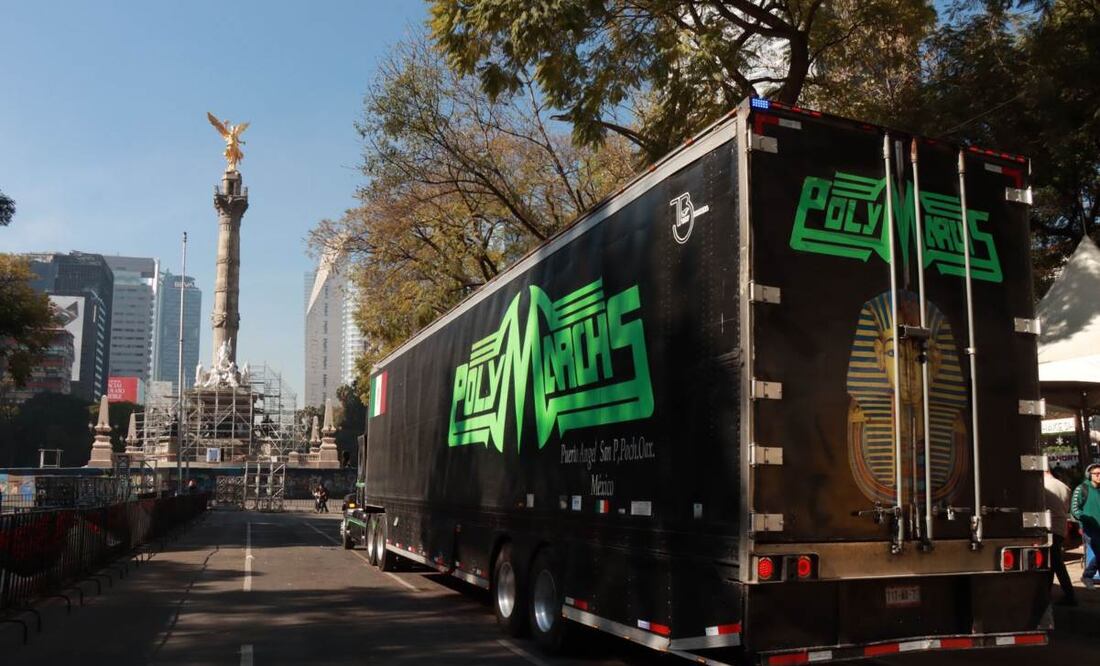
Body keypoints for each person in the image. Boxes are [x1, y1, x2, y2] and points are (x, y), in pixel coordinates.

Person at [1044, 469, 1077, 605]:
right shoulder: (1065, 487)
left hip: (1049, 528)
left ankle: (1070, 595)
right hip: (1060, 528)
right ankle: (1047, 594)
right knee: (1053, 563)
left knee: (1056, 564)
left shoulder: (1043, 486)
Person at [1070, 462, 1100, 589]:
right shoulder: (1082, 488)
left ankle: (1088, 576)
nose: (1099, 476)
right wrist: (1085, 519)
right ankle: (1088, 576)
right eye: (1097, 474)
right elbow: (1074, 509)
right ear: (1089, 475)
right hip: (1089, 528)